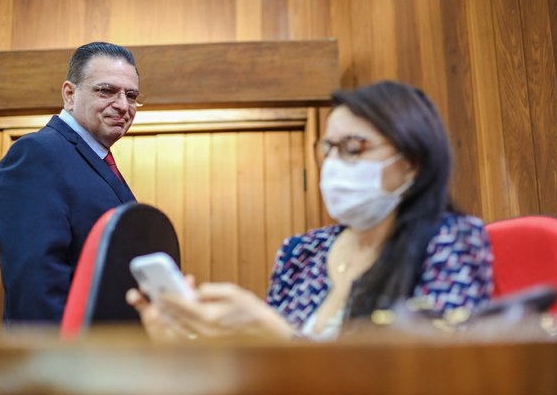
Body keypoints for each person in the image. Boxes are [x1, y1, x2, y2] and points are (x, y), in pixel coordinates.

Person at [127, 81, 494, 341]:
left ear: (411, 161)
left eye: (353, 149)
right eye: (328, 149)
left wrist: (279, 338)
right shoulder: (301, 252)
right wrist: (187, 343)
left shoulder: (452, 241)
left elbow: (439, 375)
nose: (333, 164)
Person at [0, 42, 141, 324]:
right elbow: (37, 286)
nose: (123, 105)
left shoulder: (95, 160)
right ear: (70, 94)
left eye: (131, 95)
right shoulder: (38, 154)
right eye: (106, 91)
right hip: (66, 350)